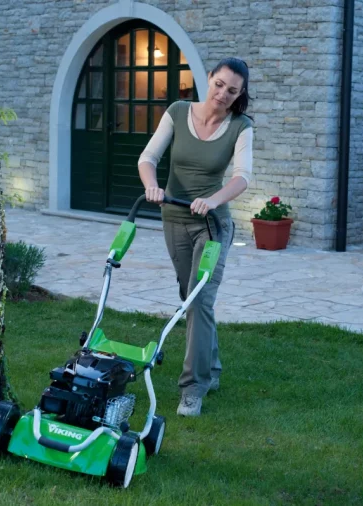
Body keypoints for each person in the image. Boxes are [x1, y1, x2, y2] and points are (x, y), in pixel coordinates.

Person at [137, 57, 254, 417]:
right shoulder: (177, 111)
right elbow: (148, 157)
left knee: (199, 301)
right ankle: (212, 367)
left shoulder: (241, 126)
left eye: (232, 91)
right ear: (209, 79)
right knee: (189, 297)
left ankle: (193, 387)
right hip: (173, 218)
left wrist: (213, 200)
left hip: (212, 226)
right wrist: (152, 186)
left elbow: (242, 177)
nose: (223, 94)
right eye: (219, 84)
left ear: (239, 95)